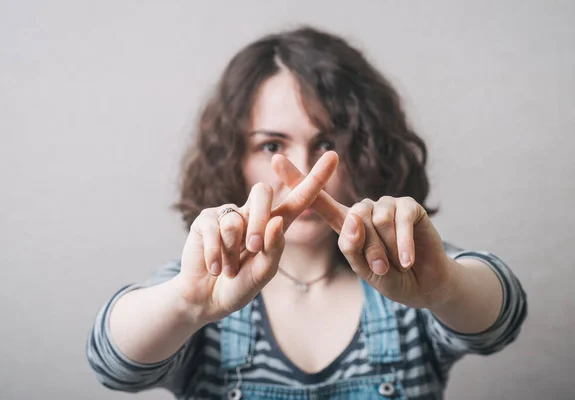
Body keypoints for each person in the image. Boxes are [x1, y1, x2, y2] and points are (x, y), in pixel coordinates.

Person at [86, 26, 527, 400]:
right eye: (272, 146)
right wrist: (186, 303)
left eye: (328, 144)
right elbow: (114, 365)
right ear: (234, 159)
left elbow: (500, 323)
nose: (301, 176)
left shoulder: (408, 273)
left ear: (366, 150)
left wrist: (445, 287)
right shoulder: (204, 283)